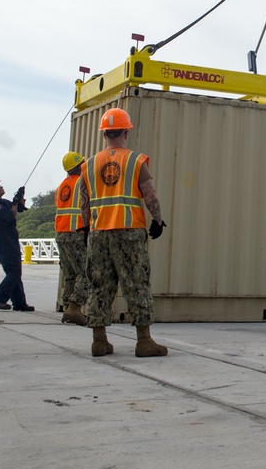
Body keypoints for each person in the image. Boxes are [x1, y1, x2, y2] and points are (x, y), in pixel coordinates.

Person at [79, 107, 167, 358]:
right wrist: (158, 221)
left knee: (99, 284)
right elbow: (150, 195)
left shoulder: (89, 164)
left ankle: (99, 341)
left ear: (104, 133)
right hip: (129, 231)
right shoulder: (134, 160)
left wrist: (88, 228)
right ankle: (144, 342)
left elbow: (84, 204)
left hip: (98, 233)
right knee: (136, 283)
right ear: (126, 132)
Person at [0, 178, 34, 311]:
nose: (1, 187)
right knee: (13, 272)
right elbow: (12, 215)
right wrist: (15, 204)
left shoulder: (2, 202)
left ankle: (19, 302)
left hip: (10, 239)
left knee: (15, 272)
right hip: (4, 241)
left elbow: (18, 208)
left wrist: (19, 198)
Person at [55, 151, 90, 326]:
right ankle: (74, 308)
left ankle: (68, 306)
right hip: (76, 232)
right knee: (86, 271)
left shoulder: (62, 186)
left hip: (61, 233)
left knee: (70, 273)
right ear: (77, 166)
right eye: (82, 163)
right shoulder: (82, 183)